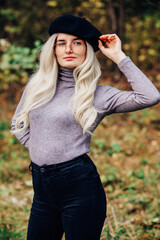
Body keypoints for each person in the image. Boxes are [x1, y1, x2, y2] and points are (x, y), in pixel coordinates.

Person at [11, 14, 160, 240]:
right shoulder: (37, 85)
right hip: (42, 190)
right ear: (53, 50)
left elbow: (150, 96)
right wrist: (41, 146)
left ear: (87, 50)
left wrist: (119, 56)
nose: (68, 49)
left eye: (77, 43)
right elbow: (18, 124)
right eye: (62, 43)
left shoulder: (98, 95)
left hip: (79, 190)